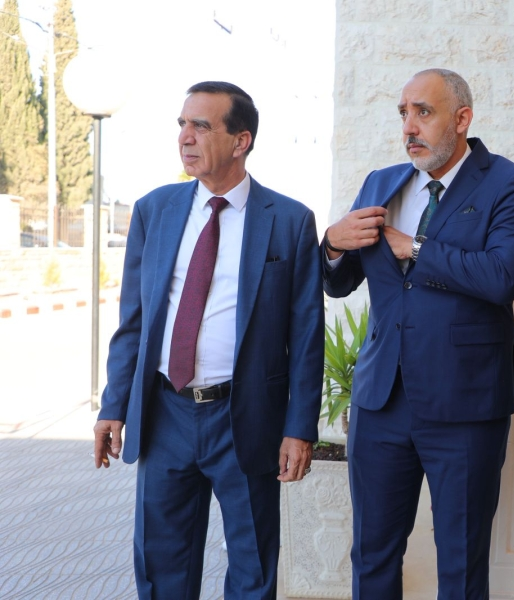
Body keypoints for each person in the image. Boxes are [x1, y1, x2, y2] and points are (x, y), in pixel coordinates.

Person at [92, 81, 324, 599]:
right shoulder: (154, 210)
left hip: (246, 418)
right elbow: (134, 321)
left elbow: (307, 335)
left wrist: (299, 428)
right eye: (182, 124)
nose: (185, 137)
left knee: (253, 569)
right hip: (166, 415)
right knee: (162, 566)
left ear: (241, 141)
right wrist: (114, 405)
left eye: (200, 126)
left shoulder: (289, 221)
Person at [322, 68, 514, 599]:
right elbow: (340, 283)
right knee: (372, 554)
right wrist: (332, 243)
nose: (409, 126)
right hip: (381, 402)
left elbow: (501, 277)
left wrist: (415, 247)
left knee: (461, 564)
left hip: (465, 405)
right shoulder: (381, 182)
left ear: (462, 119)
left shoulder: (510, 184)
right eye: (404, 113)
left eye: (423, 112)